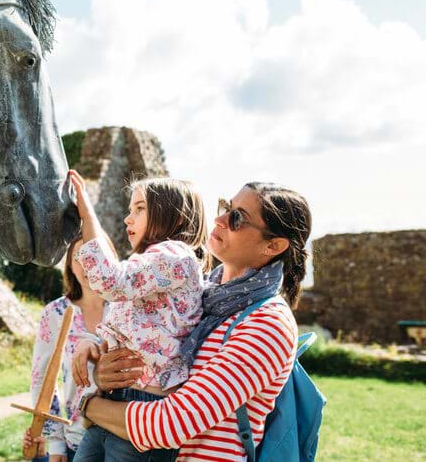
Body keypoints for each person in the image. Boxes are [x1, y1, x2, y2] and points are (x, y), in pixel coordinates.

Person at [78, 182, 312, 462]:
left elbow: (170, 425)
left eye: (237, 218)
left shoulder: (268, 323)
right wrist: (106, 372)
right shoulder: (201, 297)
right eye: (226, 207)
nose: (219, 220)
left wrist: (88, 405)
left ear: (272, 246)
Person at [64, 170, 210, 462]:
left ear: (176, 217)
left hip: (145, 408)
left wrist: (88, 216)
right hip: (116, 402)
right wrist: (93, 343)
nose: (128, 219)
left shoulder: (176, 256)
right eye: (130, 210)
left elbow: (110, 282)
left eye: (140, 209)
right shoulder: (148, 264)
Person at [22, 232, 113, 462]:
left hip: (124, 440)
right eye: (78, 257)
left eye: (93, 255)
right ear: (70, 265)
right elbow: (43, 379)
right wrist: (55, 443)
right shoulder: (55, 313)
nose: (86, 263)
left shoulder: (126, 308)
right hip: (76, 441)